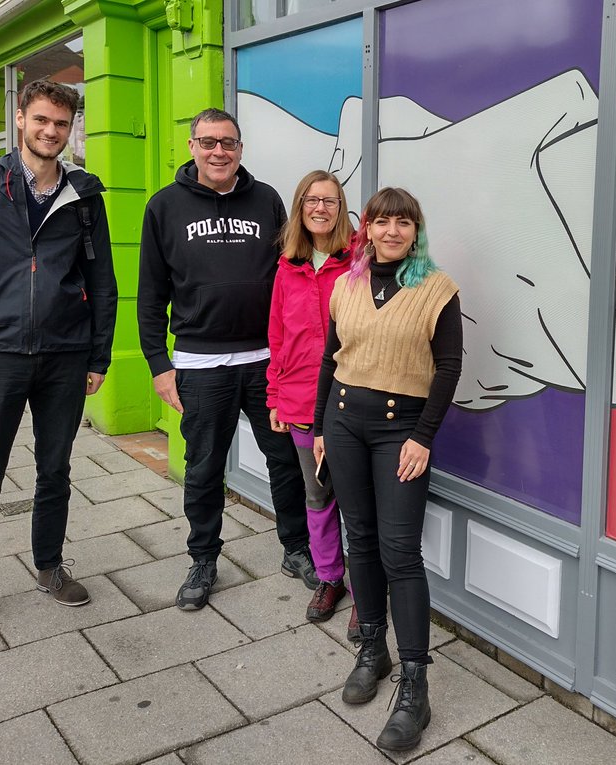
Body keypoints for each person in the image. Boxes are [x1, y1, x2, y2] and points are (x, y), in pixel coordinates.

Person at [0, 78, 117, 646]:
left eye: (60, 123)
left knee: (55, 471)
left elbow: (102, 282)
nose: (50, 131)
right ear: (19, 118)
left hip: (65, 355)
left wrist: (99, 355)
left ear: (70, 128)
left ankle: (50, 566)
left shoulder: (84, 195)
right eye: (41, 120)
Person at [137, 108, 315, 610]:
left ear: (240, 149)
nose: (219, 151)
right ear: (192, 147)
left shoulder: (267, 200)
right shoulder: (164, 206)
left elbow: (292, 274)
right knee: (203, 467)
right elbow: (149, 294)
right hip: (198, 363)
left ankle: (296, 548)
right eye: (209, 142)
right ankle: (203, 559)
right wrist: (159, 364)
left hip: (266, 362)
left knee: (285, 461)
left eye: (228, 143)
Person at [313, 187, 462, 752]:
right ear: (367, 229)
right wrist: (321, 429)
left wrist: (423, 437)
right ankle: (373, 649)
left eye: (403, 222)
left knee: (400, 550)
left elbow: (449, 368)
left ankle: (415, 686)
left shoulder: (436, 289)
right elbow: (330, 359)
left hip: (402, 432)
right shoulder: (346, 285)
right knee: (361, 538)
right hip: (343, 422)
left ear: (415, 231)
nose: (392, 232)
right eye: (382, 222)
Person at [267, 170, 358, 631]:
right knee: (318, 494)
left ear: (341, 210)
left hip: (354, 401)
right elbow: (278, 336)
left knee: (361, 501)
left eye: (330, 201)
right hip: (302, 401)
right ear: (299, 208)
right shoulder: (288, 267)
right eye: (311, 200)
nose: (320, 208)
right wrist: (276, 396)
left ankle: (366, 590)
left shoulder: (359, 261)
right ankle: (329, 577)